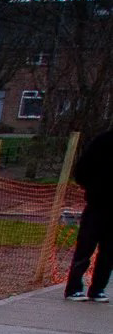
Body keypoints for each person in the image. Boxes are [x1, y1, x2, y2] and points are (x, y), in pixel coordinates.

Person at [66, 128, 113, 302]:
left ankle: (98, 288)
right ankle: (74, 288)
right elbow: (82, 169)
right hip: (97, 204)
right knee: (85, 246)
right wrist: (92, 188)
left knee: (109, 252)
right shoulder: (103, 142)